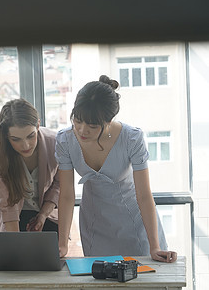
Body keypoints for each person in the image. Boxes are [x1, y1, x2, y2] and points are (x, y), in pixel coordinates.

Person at [56, 75, 177, 262]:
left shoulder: (131, 139)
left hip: (135, 223)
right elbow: (66, 195)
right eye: (77, 121)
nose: (82, 130)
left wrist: (155, 246)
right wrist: (62, 243)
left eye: (92, 126)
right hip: (94, 225)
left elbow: (144, 195)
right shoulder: (65, 140)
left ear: (109, 121)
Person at [0, 98, 60, 232]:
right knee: (10, 249)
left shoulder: (54, 143)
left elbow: (58, 186)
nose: (25, 145)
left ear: (38, 125)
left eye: (31, 136)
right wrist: (16, 241)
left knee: (49, 249)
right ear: (6, 135)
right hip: (9, 215)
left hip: (45, 213)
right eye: (16, 139)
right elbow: (6, 197)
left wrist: (43, 215)